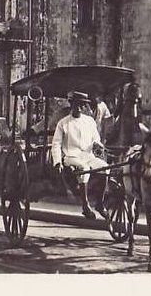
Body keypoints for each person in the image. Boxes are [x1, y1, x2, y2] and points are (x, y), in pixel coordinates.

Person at [52, 91, 108, 219]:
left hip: (88, 156)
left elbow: (96, 139)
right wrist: (57, 162)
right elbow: (56, 144)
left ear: (84, 106)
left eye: (81, 105)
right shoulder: (63, 123)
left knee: (105, 168)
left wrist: (98, 145)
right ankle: (85, 205)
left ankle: (100, 203)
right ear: (71, 104)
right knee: (84, 169)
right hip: (71, 157)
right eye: (75, 104)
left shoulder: (89, 121)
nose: (77, 107)